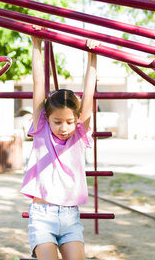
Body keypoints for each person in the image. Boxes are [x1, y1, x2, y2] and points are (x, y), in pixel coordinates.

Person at [20, 33, 99, 260]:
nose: (63, 127)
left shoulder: (79, 135)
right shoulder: (41, 130)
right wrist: (36, 44)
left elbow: (89, 95)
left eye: (69, 121)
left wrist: (92, 57)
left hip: (69, 217)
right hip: (42, 215)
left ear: (77, 119)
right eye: (57, 122)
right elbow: (38, 84)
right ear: (47, 118)